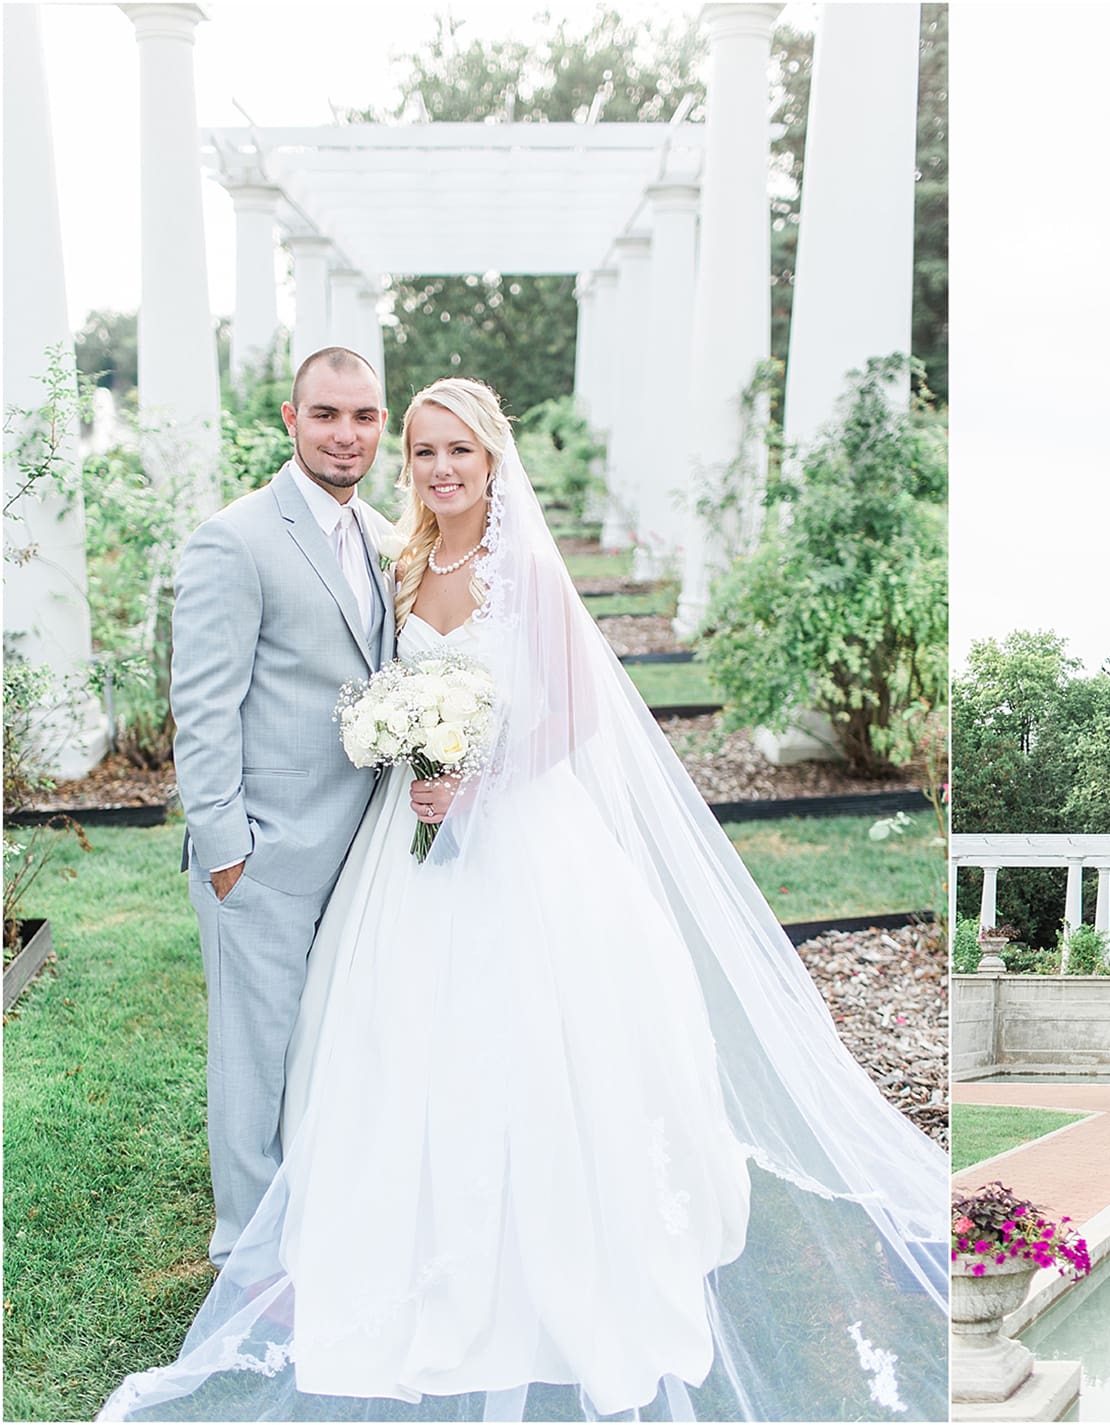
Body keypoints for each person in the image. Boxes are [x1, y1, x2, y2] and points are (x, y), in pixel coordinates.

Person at [105, 378, 949, 1422]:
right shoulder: (400, 560)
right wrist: (420, 767)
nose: (440, 468)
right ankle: (369, 1234)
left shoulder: (529, 573)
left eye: (457, 449)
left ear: (494, 457)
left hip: (523, 843)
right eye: (422, 453)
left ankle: (542, 1235)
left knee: (534, 1041)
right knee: (385, 1039)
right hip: (401, 856)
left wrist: (477, 782)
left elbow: (577, 717)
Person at [169, 347, 398, 1267]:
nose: (346, 435)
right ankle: (246, 1248)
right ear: (289, 418)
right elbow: (204, 703)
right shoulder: (237, 538)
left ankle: (318, 1208)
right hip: (263, 851)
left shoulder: (385, 534)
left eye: (365, 417)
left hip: (364, 845)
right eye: (327, 415)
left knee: (328, 1039)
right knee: (254, 1054)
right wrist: (227, 846)